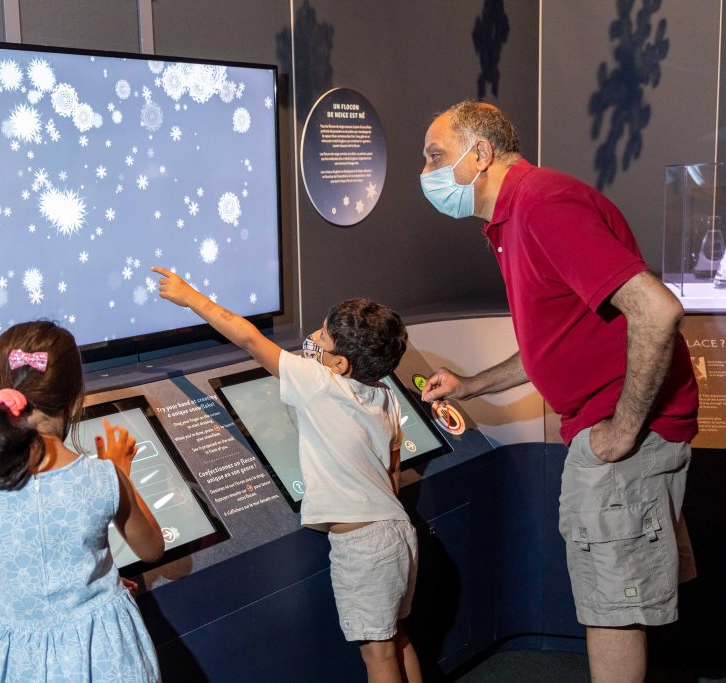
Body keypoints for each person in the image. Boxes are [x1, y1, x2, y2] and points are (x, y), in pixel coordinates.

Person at [419, 100, 698, 683]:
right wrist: (471, 385)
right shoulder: (513, 218)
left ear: (481, 153)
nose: (427, 172)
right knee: (626, 597)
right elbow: (555, 341)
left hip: (620, 437)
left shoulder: (543, 203)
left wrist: (622, 432)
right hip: (615, 431)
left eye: (436, 156)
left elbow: (656, 308)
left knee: (611, 609)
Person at [152, 266, 422, 683]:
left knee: (378, 656)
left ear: (340, 364)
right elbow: (391, 469)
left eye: (323, 336)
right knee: (397, 638)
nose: (313, 338)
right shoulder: (385, 396)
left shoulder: (319, 382)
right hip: (398, 532)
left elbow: (247, 337)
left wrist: (191, 298)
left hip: (362, 545)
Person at [0, 321, 165, 682]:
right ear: (75, 398)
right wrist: (120, 472)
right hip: (112, 659)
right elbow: (153, 548)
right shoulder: (104, 477)